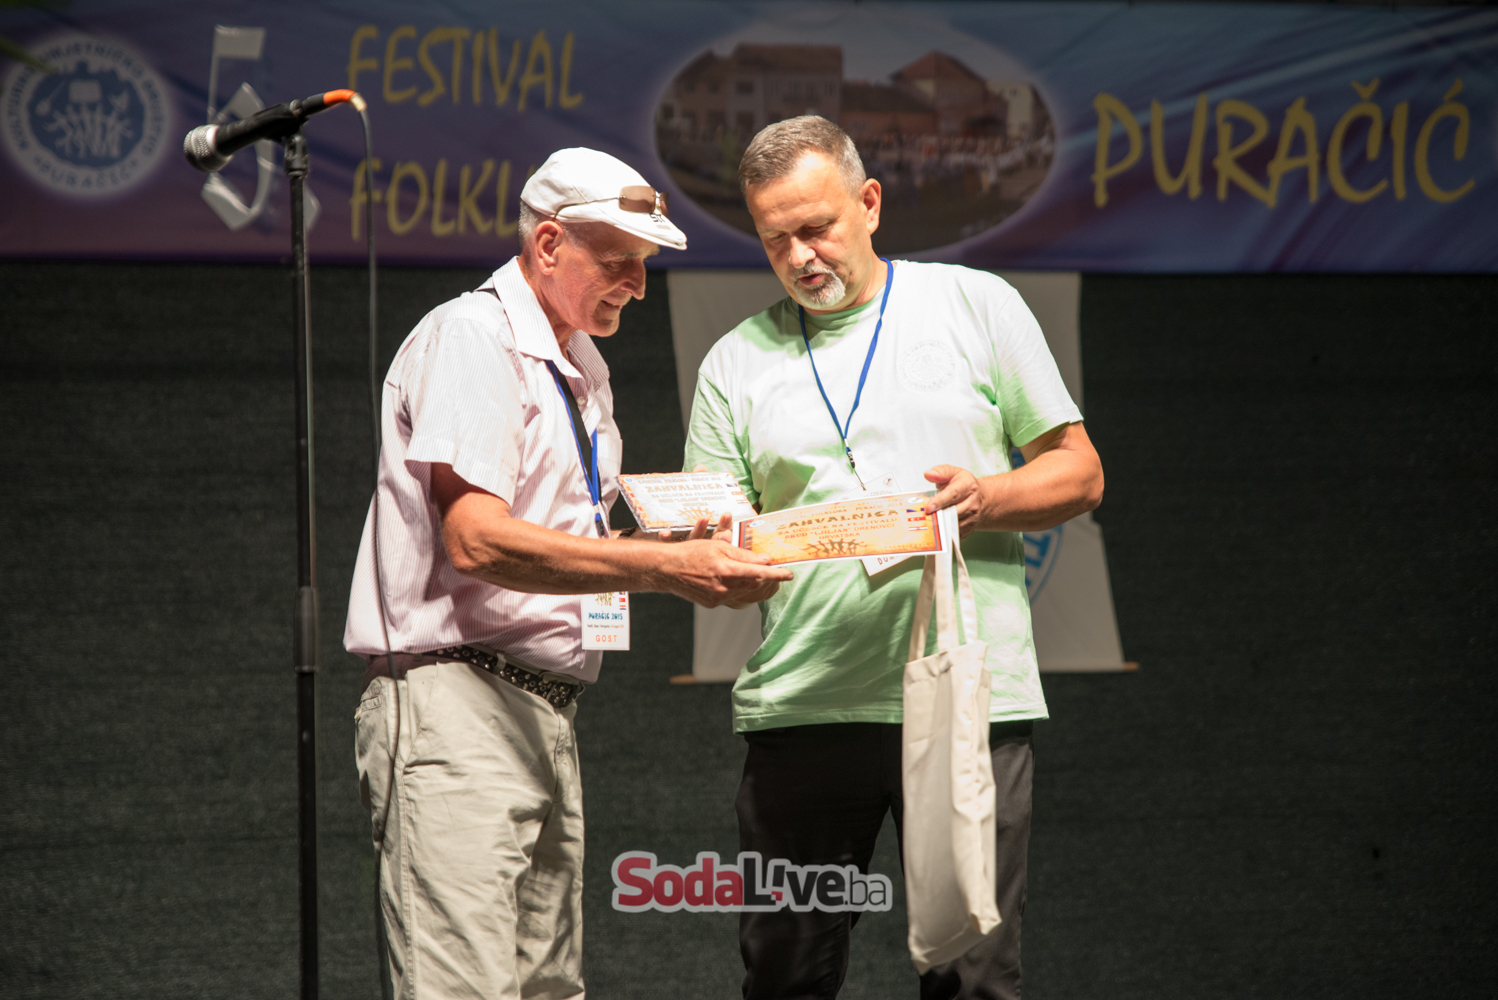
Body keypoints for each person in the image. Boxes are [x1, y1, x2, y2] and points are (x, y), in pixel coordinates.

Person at [344, 146, 791, 1000]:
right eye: (618, 259)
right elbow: (477, 540)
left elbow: (548, 533)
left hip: (543, 709)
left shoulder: (582, 366)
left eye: (644, 262)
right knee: (463, 990)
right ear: (548, 244)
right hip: (455, 703)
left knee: (550, 989)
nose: (638, 283)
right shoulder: (475, 337)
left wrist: (675, 541)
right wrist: (661, 566)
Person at [683, 117, 1105, 1000]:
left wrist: (985, 497)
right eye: (775, 239)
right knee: (784, 980)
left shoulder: (975, 305)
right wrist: (714, 557)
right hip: (803, 705)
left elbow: (1079, 473)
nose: (799, 256)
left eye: (817, 227)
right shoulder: (734, 362)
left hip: (965, 696)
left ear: (869, 203)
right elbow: (714, 545)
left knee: (973, 980)